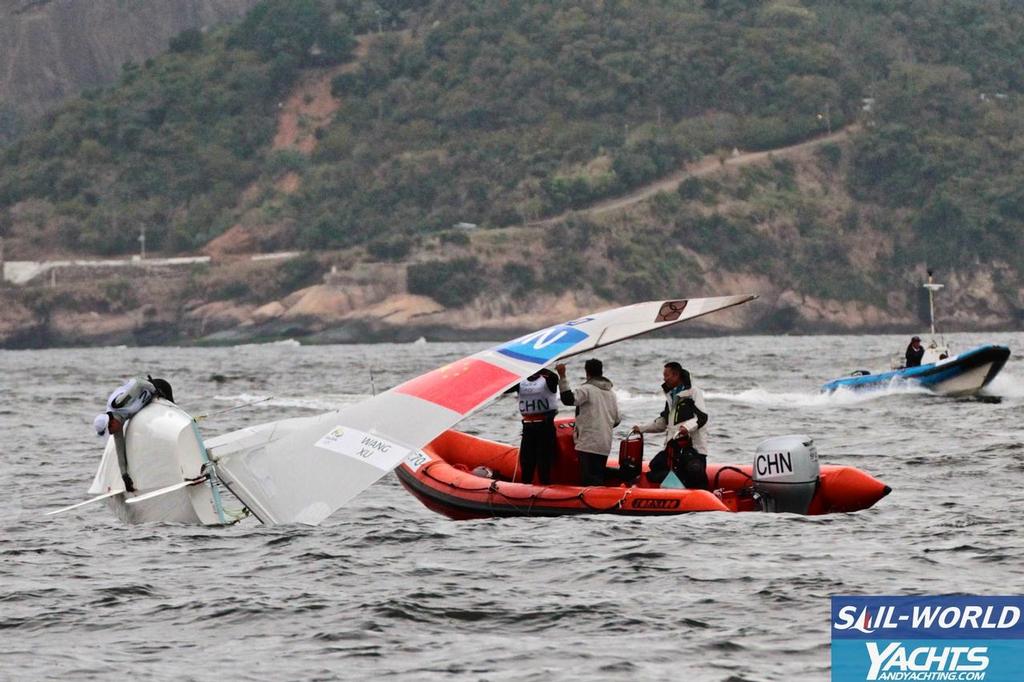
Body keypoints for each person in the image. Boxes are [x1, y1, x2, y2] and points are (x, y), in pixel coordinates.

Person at [632, 362, 709, 489]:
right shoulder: (671, 397)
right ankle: (671, 494)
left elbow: (702, 417)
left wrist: (686, 428)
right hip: (674, 448)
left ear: (676, 375)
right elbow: (663, 422)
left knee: (694, 471)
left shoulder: (693, 392)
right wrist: (642, 428)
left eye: (666, 375)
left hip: (694, 449)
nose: (664, 378)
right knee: (655, 466)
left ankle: (704, 498)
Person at [555, 359, 620, 486]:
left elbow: (568, 400)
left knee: (589, 480)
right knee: (598, 474)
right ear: (601, 371)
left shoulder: (586, 389)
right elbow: (617, 420)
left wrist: (562, 376)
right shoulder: (611, 393)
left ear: (587, 372)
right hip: (605, 443)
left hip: (588, 442)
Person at [511, 368, 559, 485]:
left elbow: (554, 378)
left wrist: (539, 366)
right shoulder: (520, 381)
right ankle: (525, 487)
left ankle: (544, 486)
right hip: (528, 427)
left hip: (545, 426)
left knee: (544, 461)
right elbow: (504, 387)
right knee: (526, 461)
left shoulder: (548, 377)